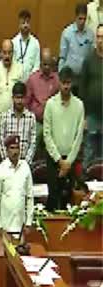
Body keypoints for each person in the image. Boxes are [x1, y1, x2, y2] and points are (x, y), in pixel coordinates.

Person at [44, 67, 85, 211]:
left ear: (72, 83)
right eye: (63, 83)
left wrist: (68, 163)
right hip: (53, 160)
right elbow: (47, 135)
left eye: (68, 83)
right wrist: (59, 161)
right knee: (53, 199)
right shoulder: (50, 104)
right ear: (59, 83)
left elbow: (79, 136)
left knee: (69, 203)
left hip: (70, 161)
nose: (66, 86)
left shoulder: (79, 106)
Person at [0, 135, 34, 239]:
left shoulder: (25, 168)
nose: (15, 151)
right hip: (5, 227)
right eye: (12, 148)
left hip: (21, 226)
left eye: (17, 148)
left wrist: (28, 222)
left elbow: (30, 196)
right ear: (6, 150)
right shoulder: (1, 169)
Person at [79, 24, 103, 169]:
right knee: (89, 156)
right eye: (99, 37)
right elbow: (82, 88)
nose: (101, 40)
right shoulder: (88, 60)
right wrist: (84, 116)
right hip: (91, 116)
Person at [25, 48, 60, 147]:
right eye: (45, 64)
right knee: (34, 139)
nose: (47, 67)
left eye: (49, 64)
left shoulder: (57, 80)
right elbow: (26, 103)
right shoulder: (33, 79)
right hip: (36, 122)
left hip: (53, 122)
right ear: (40, 63)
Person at [0, 82, 37, 164]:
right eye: (17, 98)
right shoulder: (4, 117)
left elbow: (32, 143)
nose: (19, 101)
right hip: (7, 163)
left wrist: (25, 163)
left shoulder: (31, 117)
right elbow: (1, 141)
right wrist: (7, 161)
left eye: (22, 98)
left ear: (26, 98)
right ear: (12, 98)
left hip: (24, 163)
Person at [59, 4, 94, 83]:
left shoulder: (90, 34)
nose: (82, 22)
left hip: (84, 77)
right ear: (75, 17)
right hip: (69, 77)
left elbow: (91, 56)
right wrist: (61, 76)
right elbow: (62, 57)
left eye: (84, 19)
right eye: (80, 19)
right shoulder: (67, 33)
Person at [12, 9, 41, 82]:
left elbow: (36, 65)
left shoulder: (35, 43)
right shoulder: (14, 42)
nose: (25, 25)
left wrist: (31, 80)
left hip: (31, 81)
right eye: (23, 23)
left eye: (27, 22)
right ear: (19, 25)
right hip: (16, 80)